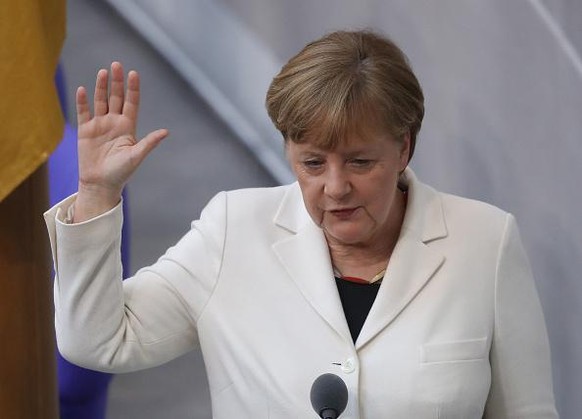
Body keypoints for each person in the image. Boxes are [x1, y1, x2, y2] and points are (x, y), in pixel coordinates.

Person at [44, 30, 558, 418]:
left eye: (359, 162)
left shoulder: (485, 243)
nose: (335, 187)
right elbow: (98, 342)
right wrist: (97, 193)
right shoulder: (233, 230)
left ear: (404, 147)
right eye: (313, 163)